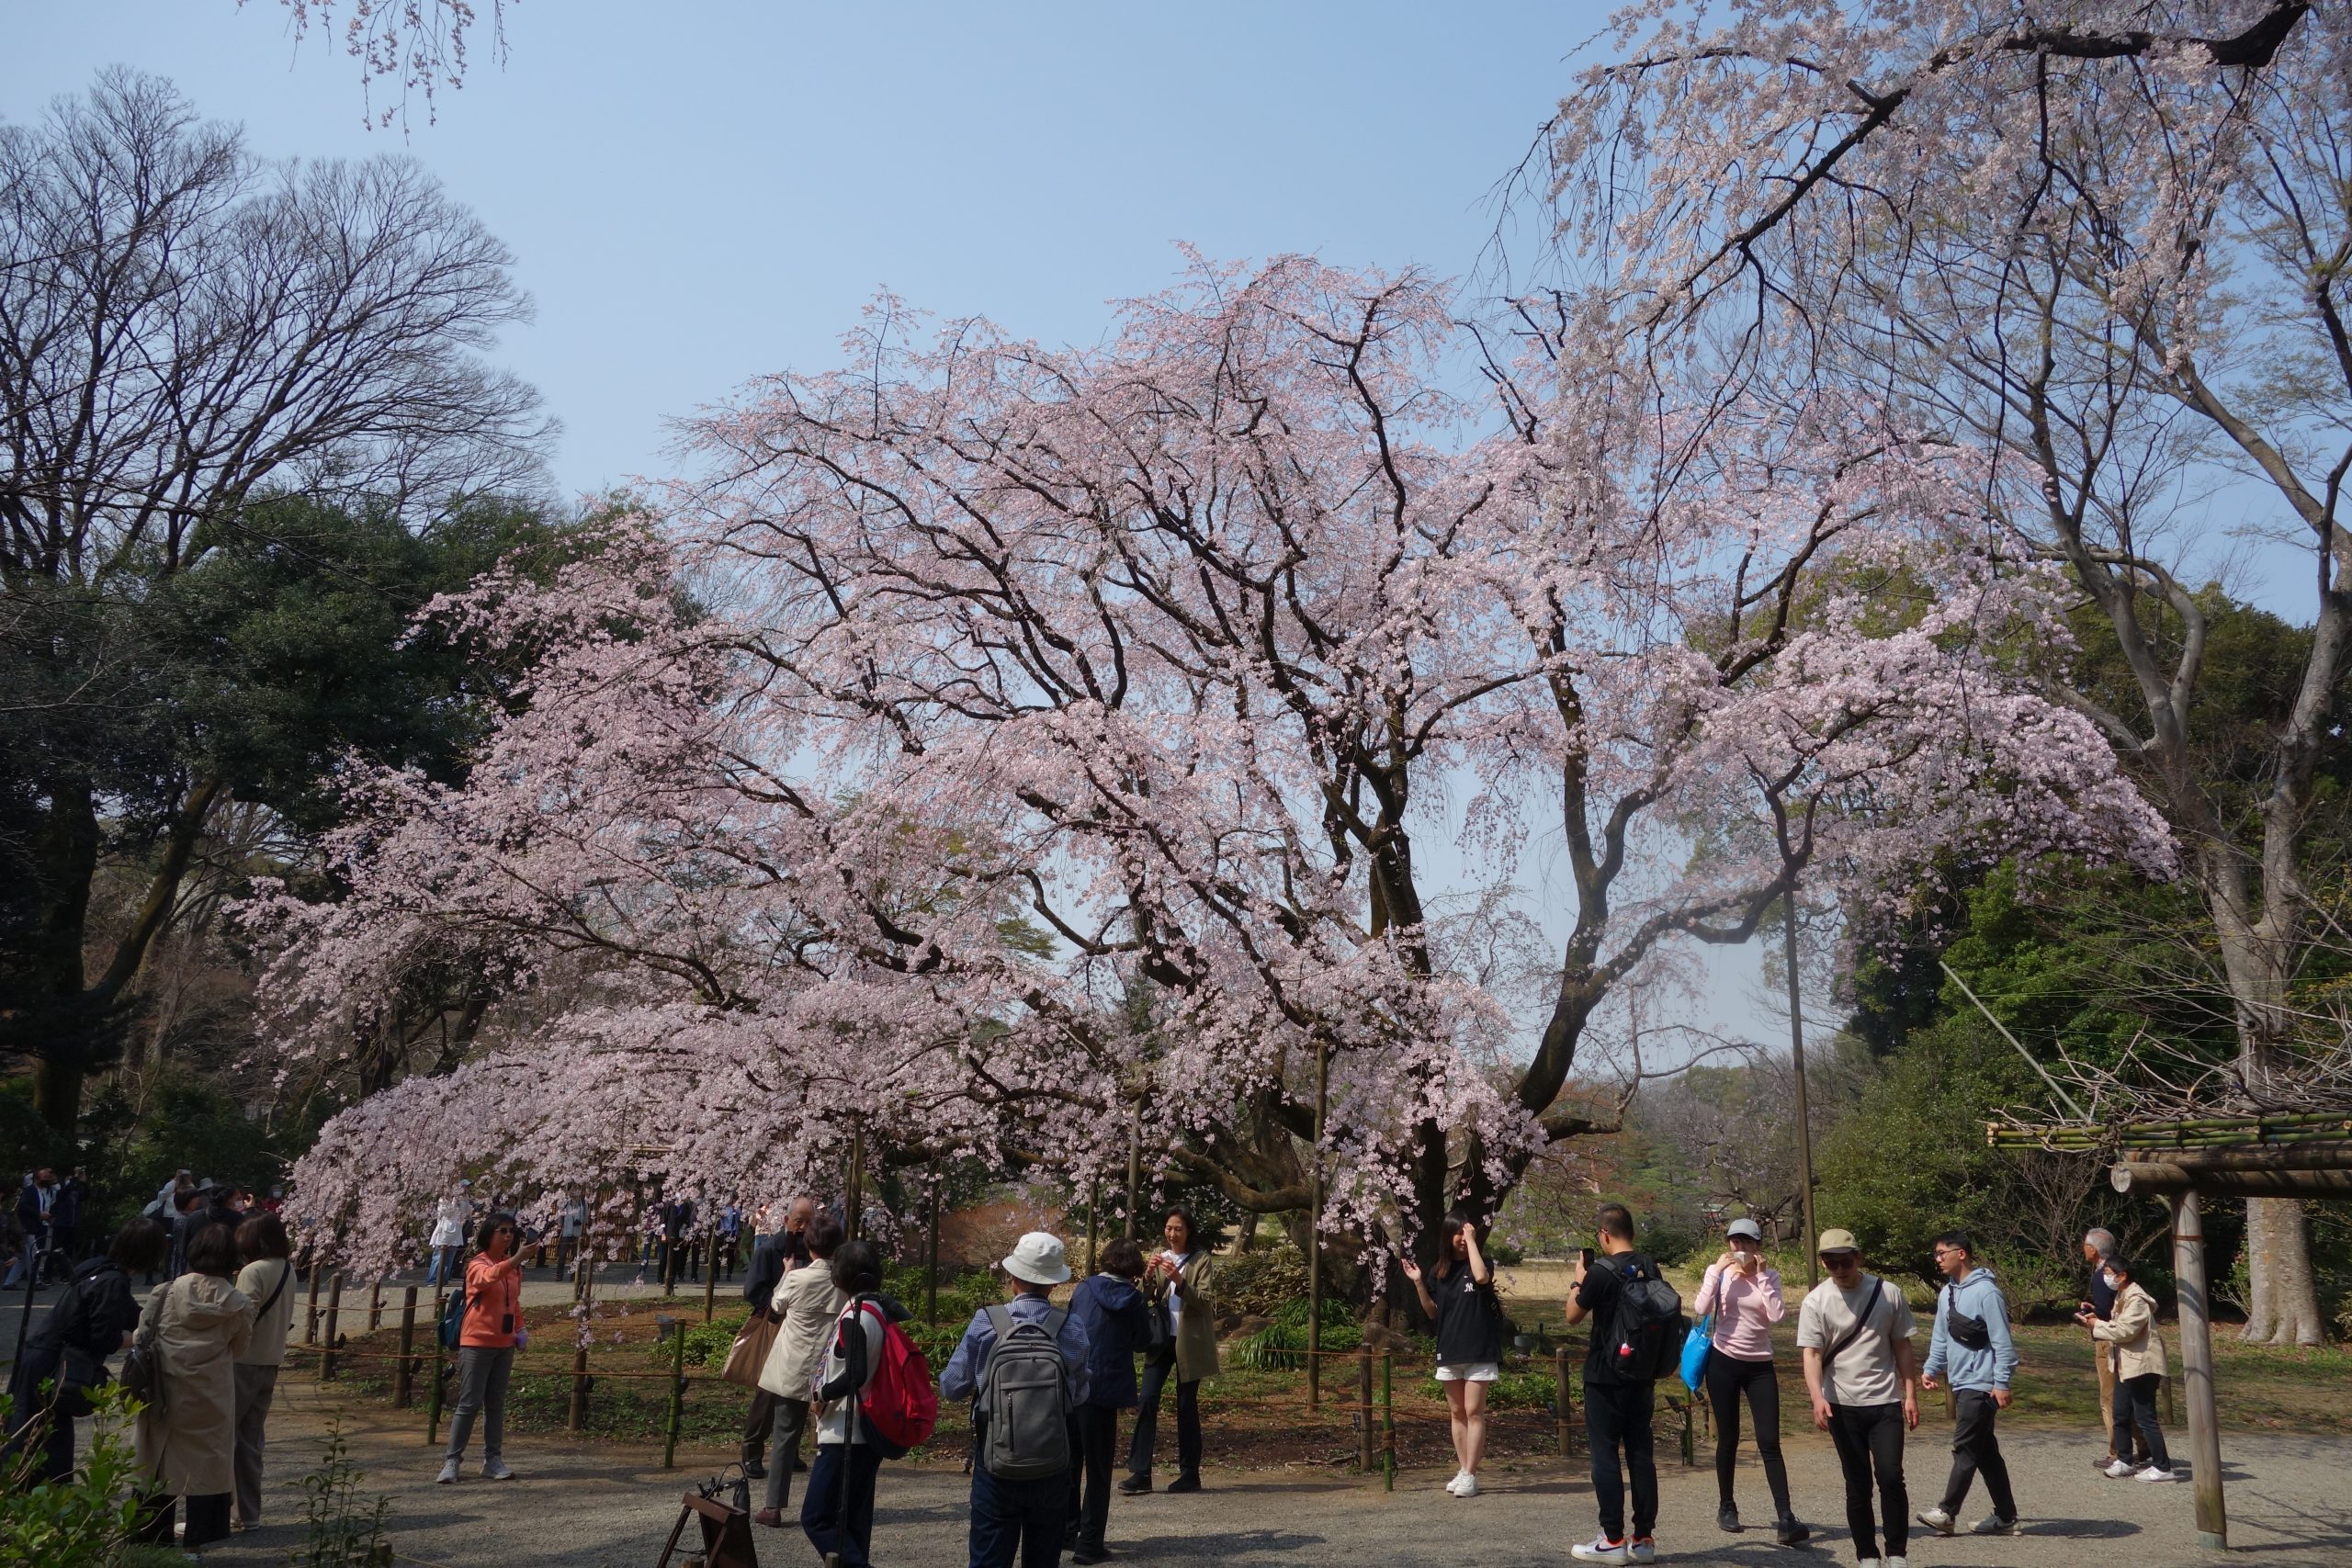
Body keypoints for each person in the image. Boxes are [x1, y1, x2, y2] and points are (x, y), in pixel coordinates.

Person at [942, 1231, 1091, 1568]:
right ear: (1054, 1284)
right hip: (1053, 1463)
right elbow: (1080, 1393)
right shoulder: (1071, 1327)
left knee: (989, 1558)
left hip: (996, 1461)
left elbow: (952, 1387)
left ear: (1012, 1279)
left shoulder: (986, 1321)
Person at [4, 1216, 164, 1484]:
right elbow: (103, 1338)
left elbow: (133, 1314)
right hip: (54, 1363)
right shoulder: (114, 1280)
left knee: (29, 1431)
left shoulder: (99, 1269)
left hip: (39, 1355)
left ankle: (24, 1496)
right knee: (46, 1441)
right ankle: (37, 1503)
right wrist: (140, 1338)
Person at [1798, 1228, 1920, 1568]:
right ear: (1823, 1262)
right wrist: (1817, 1398)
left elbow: (1902, 1346)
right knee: (1857, 1483)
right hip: (1841, 1403)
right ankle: (1867, 1553)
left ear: (1859, 1258)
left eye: (1845, 1260)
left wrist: (1909, 1394)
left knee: (1891, 1476)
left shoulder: (1889, 1293)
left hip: (1884, 1401)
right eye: (1830, 1261)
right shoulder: (1816, 1301)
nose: (1839, 1267)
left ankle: (1897, 1553)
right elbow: (1811, 1353)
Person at [133, 1219, 253, 1552]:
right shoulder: (238, 1304)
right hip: (209, 1394)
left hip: (163, 1390)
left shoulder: (167, 1291)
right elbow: (240, 1349)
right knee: (206, 1466)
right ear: (232, 1259)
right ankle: (197, 1544)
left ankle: (152, 1539)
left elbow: (143, 1336)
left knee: (156, 1462)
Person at [1692, 1216, 1805, 1542]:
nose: (1740, 1248)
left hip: (1760, 1367)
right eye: (1735, 1242)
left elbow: (1777, 1316)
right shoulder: (1721, 1274)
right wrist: (1715, 1270)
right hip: (1723, 1362)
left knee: (1769, 1441)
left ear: (1758, 1247)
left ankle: (1785, 1517)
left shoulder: (1770, 1276)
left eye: (1747, 1243)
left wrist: (1760, 1278)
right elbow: (1701, 1307)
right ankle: (1727, 1507)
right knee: (1728, 1439)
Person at [1564, 1202, 1664, 1564]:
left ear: (1603, 1235)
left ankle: (1612, 1539)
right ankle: (1644, 1538)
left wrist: (1579, 1278)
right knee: (1641, 1455)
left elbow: (1572, 1315)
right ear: (1632, 1233)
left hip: (1605, 1376)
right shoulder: (1649, 1266)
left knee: (1605, 1454)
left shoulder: (1601, 1272)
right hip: (1642, 1374)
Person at [800, 1240, 904, 1568]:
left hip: (846, 1431)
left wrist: (821, 1393)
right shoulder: (879, 1310)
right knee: (855, 1524)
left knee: (816, 1517)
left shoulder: (855, 1316)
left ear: (844, 1276)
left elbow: (855, 1373)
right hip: (866, 1431)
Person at [1917, 1230, 2019, 1538]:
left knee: (1965, 1447)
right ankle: (2006, 1518)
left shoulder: (1988, 1293)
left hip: (1982, 1384)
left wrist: (2001, 1383)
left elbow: (2004, 1344)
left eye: (1941, 1253)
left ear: (1961, 1253)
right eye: (1935, 1254)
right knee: (1985, 1453)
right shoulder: (1947, 1292)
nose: (1938, 1259)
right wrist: (1932, 1369)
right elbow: (1941, 1337)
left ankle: (1947, 1512)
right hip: (1960, 1382)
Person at [753, 1213, 846, 1526]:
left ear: (809, 1246)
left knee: (784, 1437)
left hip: (793, 1365)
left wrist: (786, 1272)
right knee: (831, 1440)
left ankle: (774, 1506)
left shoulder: (797, 1278)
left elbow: (776, 1306)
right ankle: (829, 1505)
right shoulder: (844, 1283)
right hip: (830, 1370)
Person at [1404, 1210, 1502, 1498]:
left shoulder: (1481, 1263)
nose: (1461, 1237)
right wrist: (1419, 1282)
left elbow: (1482, 1278)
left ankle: (1471, 1474)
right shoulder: (1439, 1271)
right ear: (1447, 1237)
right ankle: (1463, 1469)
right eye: (1457, 1233)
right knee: (1457, 1413)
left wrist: (1473, 1241)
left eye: (1465, 1232)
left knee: (1474, 1413)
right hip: (1449, 1348)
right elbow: (1433, 1312)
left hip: (1479, 1349)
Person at [1065, 1238, 1150, 1562]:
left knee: (1070, 1464)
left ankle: (1066, 1531)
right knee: (1099, 1471)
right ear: (1135, 1269)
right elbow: (1143, 1342)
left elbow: (1071, 1324)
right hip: (1104, 1390)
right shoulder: (1134, 1300)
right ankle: (1090, 1545)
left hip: (1073, 1382)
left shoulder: (1084, 1289)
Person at [1123, 1207, 1216, 1495]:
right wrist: (1149, 1277)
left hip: (1190, 1341)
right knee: (1147, 1399)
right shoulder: (1160, 1257)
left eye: (1178, 1229)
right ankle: (1140, 1473)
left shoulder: (1201, 1260)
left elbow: (1205, 1300)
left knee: (1186, 1406)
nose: (1172, 1234)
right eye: (1168, 1228)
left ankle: (1190, 1474)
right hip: (1161, 1339)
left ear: (1188, 1232)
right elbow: (1142, 1298)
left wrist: (1179, 1280)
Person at [435, 1212, 525, 1484]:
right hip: (476, 1342)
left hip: (503, 1343)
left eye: (511, 1231)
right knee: (469, 1402)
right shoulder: (478, 1263)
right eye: (502, 1231)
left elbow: (514, 1302)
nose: (508, 1235)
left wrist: (520, 1329)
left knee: (495, 1403)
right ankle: (452, 1461)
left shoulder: (513, 1269)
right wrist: (516, 1259)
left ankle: (492, 1459)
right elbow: (486, 1278)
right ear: (489, 1234)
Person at [2080, 1258, 2177, 1482]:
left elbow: (2125, 1331)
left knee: (2145, 1417)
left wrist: (2097, 1326)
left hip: (2142, 1366)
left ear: (2122, 1275)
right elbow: (2116, 1325)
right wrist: (2096, 1318)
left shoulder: (2137, 1299)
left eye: (2108, 1272)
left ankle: (2163, 1467)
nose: (2106, 1277)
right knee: (2120, 1414)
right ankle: (2125, 1460)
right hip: (2124, 1365)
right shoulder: (2122, 1296)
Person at [231, 1211, 298, 1529]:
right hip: (271, 1359)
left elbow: (244, 1316)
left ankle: (222, 1512)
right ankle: (249, 1513)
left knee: (225, 1435)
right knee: (251, 1439)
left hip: (242, 1362)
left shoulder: (252, 1271)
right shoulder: (288, 1270)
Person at [741, 1195, 816, 1478]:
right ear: (786, 1221)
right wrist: (777, 1304)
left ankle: (789, 1449)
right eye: (799, 1221)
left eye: (809, 1223)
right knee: (767, 1393)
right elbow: (752, 1291)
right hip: (773, 1327)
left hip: (802, 1329)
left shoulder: (814, 1252)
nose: (803, 1228)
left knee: (798, 1390)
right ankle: (753, 1452)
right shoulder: (769, 1250)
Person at [2080, 1226, 2120, 1467]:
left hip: (2108, 1341)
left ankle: (2116, 1451)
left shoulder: (2101, 1275)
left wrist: (2091, 1318)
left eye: (2085, 1245)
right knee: (2126, 1396)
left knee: (2109, 1399)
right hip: (2122, 1338)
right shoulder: (2118, 1272)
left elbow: (2106, 1315)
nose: (2083, 1249)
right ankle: (2143, 1446)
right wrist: (2096, 1309)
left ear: (2093, 1249)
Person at [8, 1168, 61, 1288]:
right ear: (37, 1179)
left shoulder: (48, 1192)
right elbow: (23, 1206)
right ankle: (35, 1282)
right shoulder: (30, 1191)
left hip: (39, 1225)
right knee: (33, 1254)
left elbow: (51, 1204)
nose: (48, 1180)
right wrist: (38, 1213)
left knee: (23, 1256)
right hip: (27, 1226)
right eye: (45, 1177)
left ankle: (9, 1282)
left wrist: (50, 1216)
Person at [426, 1180, 471, 1287]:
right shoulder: (444, 1199)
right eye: (464, 1187)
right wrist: (454, 1200)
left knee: (450, 1257)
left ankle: (444, 1280)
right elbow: (447, 1213)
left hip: (457, 1230)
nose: (466, 1189)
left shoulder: (465, 1199)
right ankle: (433, 1280)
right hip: (445, 1228)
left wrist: (463, 1202)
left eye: (467, 1187)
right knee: (439, 1256)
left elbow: (466, 1213)